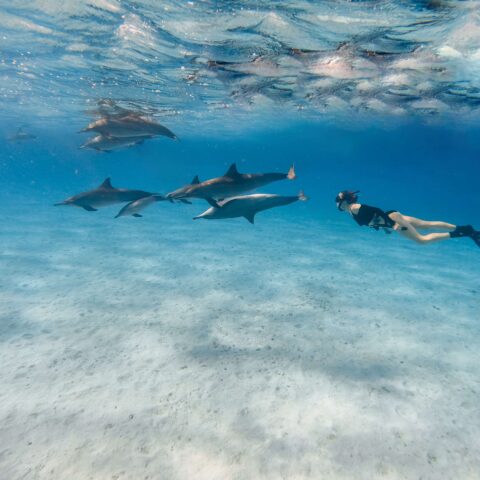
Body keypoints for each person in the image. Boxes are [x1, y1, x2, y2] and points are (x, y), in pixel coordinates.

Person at [335, 190, 479, 247]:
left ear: (345, 202)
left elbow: (377, 210)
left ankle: (466, 233)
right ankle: (465, 228)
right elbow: (373, 219)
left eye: (338, 202)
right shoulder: (351, 212)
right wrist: (385, 228)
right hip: (392, 216)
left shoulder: (355, 208)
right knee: (425, 224)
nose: (337, 205)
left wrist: (392, 224)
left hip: (393, 219)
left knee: (422, 240)